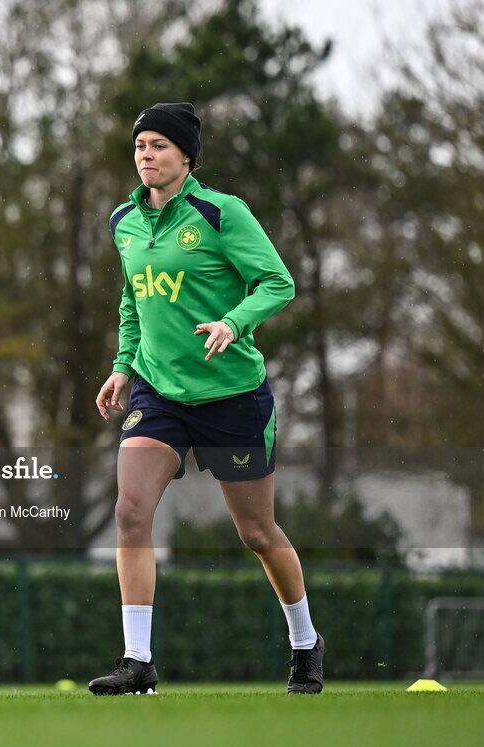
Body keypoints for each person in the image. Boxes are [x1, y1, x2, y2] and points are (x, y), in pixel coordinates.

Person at [88, 102, 324, 695]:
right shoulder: (124, 221)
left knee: (255, 532)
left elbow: (278, 282)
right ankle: (137, 661)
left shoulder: (221, 212)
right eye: (140, 146)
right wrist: (122, 366)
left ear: (186, 155)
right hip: (158, 392)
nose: (146, 155)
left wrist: (232, 323)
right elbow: (133, 302)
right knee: (129, 511)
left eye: (159, 146)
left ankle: (304, 641)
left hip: (231, 396)